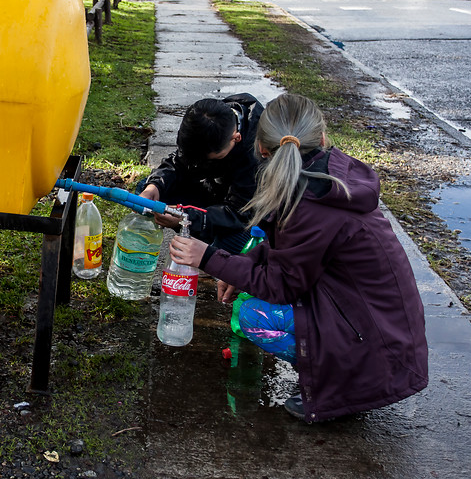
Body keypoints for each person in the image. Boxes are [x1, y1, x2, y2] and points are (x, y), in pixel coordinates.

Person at [168, 94, 429, 423]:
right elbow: (291, 254)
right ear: (321, 138)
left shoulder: (307, 204)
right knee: (251, 294)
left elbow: (282, 285)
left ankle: (341, 386)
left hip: (378, 345)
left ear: (261, 149)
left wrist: (208, 258)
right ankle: (338, 372)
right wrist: (239, 268)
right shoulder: (321, 178)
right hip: (379, 324)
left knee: (252, 316)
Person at [138, 93, 264, 254]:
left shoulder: (257, 152)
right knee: (147, 191)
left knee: (235, 244)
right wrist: (154, 186)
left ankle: (210, 250)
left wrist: (187, 218)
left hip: (244, 210)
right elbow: (178, 163)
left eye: (209, 159)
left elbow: (240, 214)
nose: (198, 164)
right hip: (213, 190)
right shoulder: (209, 121)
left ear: (236, 138)